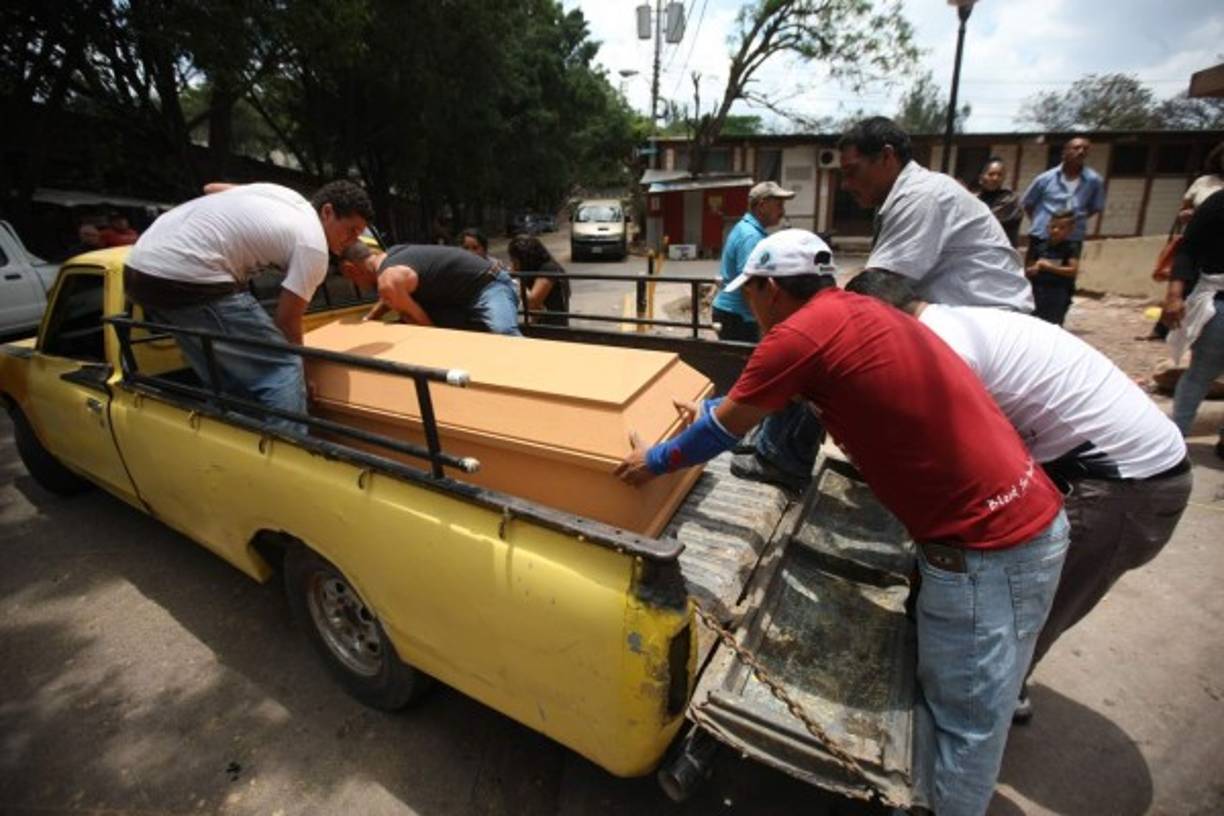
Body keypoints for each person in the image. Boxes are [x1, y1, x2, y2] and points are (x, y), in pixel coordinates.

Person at [616, 229, 1068, 816]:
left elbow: (723, 433)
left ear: (771, 289)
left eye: (749, 295)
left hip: (987, 548)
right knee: (965, 707)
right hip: (1026, 518)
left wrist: (650, 462)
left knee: (963, 725)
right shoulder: (858, 312)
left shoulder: (797, 336)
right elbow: (748, 408)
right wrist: (708, 411)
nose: (749, 308)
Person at [847, 269, 1192, 722]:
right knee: (1010, 611)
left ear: (880, 320)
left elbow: (953, 472)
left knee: (1014, 618)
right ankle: (984, 697)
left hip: (1125, 486)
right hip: (1108, 468)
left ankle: (969, 723)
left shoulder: (944, 349)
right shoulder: (955, 321)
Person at [124, 180, 372, 433]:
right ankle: (289, 452)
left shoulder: (284, 196)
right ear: (327, 212)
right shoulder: (313, 247)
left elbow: (211, 188)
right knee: (283, 365)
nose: (353, 240)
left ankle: (234, 439)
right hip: (188, 278)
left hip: (140, 268)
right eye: (351, 230)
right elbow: (286, 321)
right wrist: (305, 375)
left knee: (224, 375)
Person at [838, 117, 1032, 312]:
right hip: (972, 316)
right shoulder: (905, 196)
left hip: (990, 320)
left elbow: (880, 287)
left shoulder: (920, 195)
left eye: (852, 171)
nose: (845, 184)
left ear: (887, 157)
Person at [339, 241, 521, 336]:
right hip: (464, 295)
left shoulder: (388, 281)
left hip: (490, 286)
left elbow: (424, 325)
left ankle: (536, 375)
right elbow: (390, 297)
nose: (356, 285)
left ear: (351, 269)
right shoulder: (392, 256)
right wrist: (370, 319)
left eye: (351, 279)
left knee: (504, 333)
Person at [1163, 187, 1224, 459]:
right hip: (1219, 301)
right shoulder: (1218, 203)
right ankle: (1174, 441)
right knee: (1200, 373)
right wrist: (1175, 295)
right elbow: (1187, 249)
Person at [711, 181, 795, 342]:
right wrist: (767, 325)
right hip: (738, 317)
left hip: (735, 314)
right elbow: (750, 286)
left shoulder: (749, 229)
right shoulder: (751, 236)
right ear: (762, 206)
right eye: (778, 205)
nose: (782, 211)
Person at [1021, 137, 1106, 247]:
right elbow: (1028, 204)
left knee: (1068, 264)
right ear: (1065, 151)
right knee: (1035, 264)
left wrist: (1071, 221)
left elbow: (1095, 207)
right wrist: (1043, 222)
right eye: (1076, 148)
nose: (1081, 151)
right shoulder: (1045, 179)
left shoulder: (1094, 180)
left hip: (1073, 236)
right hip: (1043, 234)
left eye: (1085, 149)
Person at [1023, 209, 1081, 325]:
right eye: (1053, 226)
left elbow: (1072, 271)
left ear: (1070, 230)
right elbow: (1028, 268)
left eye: (1061, 228)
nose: (1055, 230)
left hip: (1057, 294)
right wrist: (1031, 271)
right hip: (1037, 292)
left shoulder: (1070, 248)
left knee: (1053, 325)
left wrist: (1048, 267)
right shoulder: (1039, 246)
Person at [506, 234, 569, 327]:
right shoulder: (536, 270)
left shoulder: (548, 269)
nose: (513, 264)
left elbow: (533, 303)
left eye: (515, 260)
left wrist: (516, 279)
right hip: (544, 324)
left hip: (553, 327)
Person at [976, 157, 1022, 247]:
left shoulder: (1010, 200)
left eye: (999, 175)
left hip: (1001, 253)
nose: (995, 178)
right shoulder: (976, 199)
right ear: (981, 177)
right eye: (991, 174)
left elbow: (985, 221)